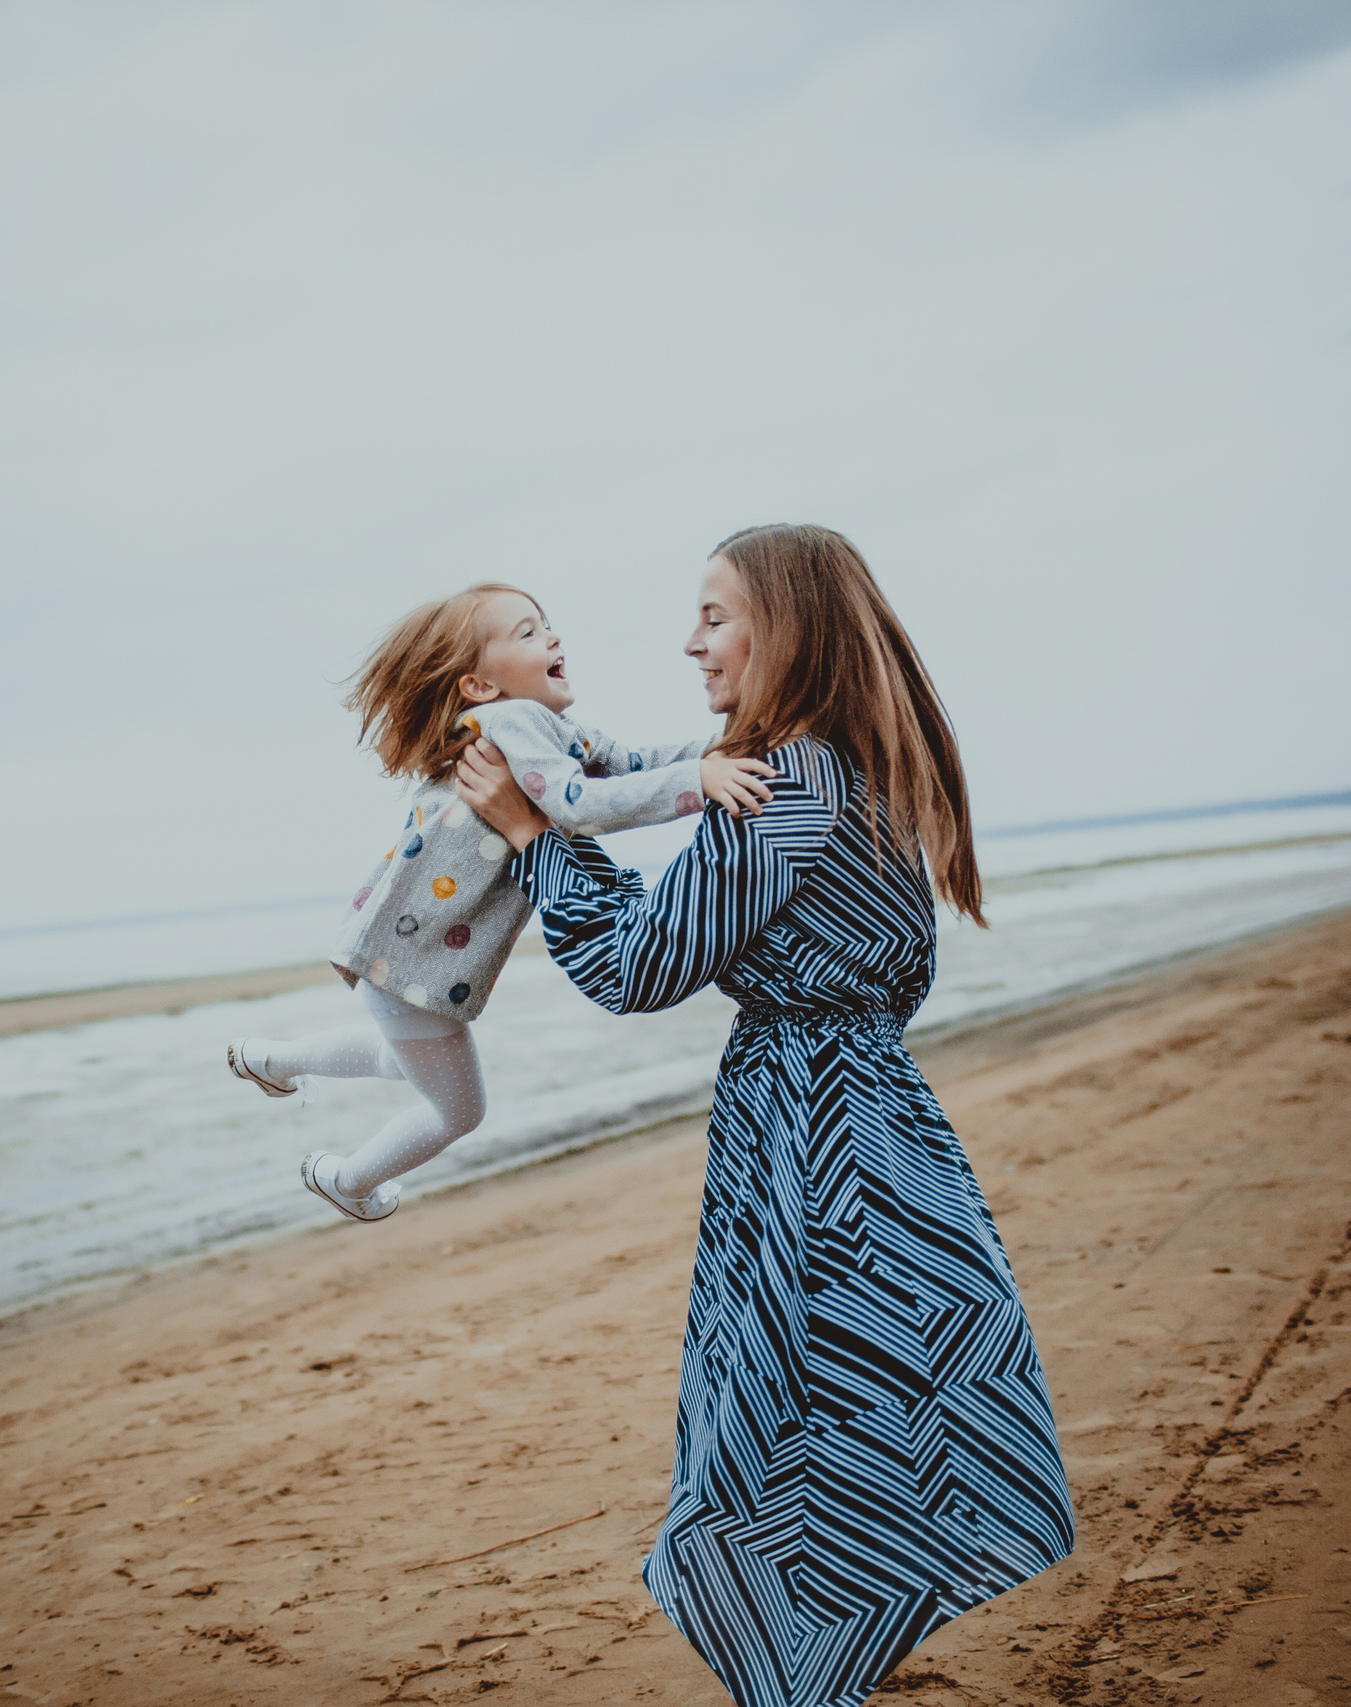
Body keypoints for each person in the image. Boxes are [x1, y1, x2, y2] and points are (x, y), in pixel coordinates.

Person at [453, 526, 1075, 1707]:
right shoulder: (852, 763)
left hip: (811, 1138)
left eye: (715, 615)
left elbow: (637, 969)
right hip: (876, 1119)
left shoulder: (787, 781)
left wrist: (536, 840)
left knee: (785, 1426)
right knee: (857, 1407)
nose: (690, 643)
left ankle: (802, 1677)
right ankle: (819, 1668)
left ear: (783, 629)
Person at [227, 581, 778, 1222]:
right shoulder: (511, 723)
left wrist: (720, 750)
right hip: (416, 961)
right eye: (527, 631)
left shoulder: (547, 731)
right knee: (459, 1111)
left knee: (398, 1057)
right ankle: (346, 1179)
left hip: (402, 958)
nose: (552, 636)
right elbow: (581, 806)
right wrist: (699, 781)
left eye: (546, 623)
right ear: (479, 686)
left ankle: (269, 1060)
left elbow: (629, 764)